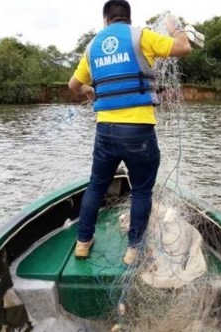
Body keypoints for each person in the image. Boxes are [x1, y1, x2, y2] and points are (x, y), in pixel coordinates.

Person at [68, 0, 191, 266]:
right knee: (142, 192)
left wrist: (90, 91)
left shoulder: (92, 47)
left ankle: (82, 242)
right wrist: (175, 27)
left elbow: (74, 85)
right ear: (128, 18)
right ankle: (133, 250)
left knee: (96, 186)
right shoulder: (141, 36)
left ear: (105, 21)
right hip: (139, 132)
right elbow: (184, 47)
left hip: (105, 132)